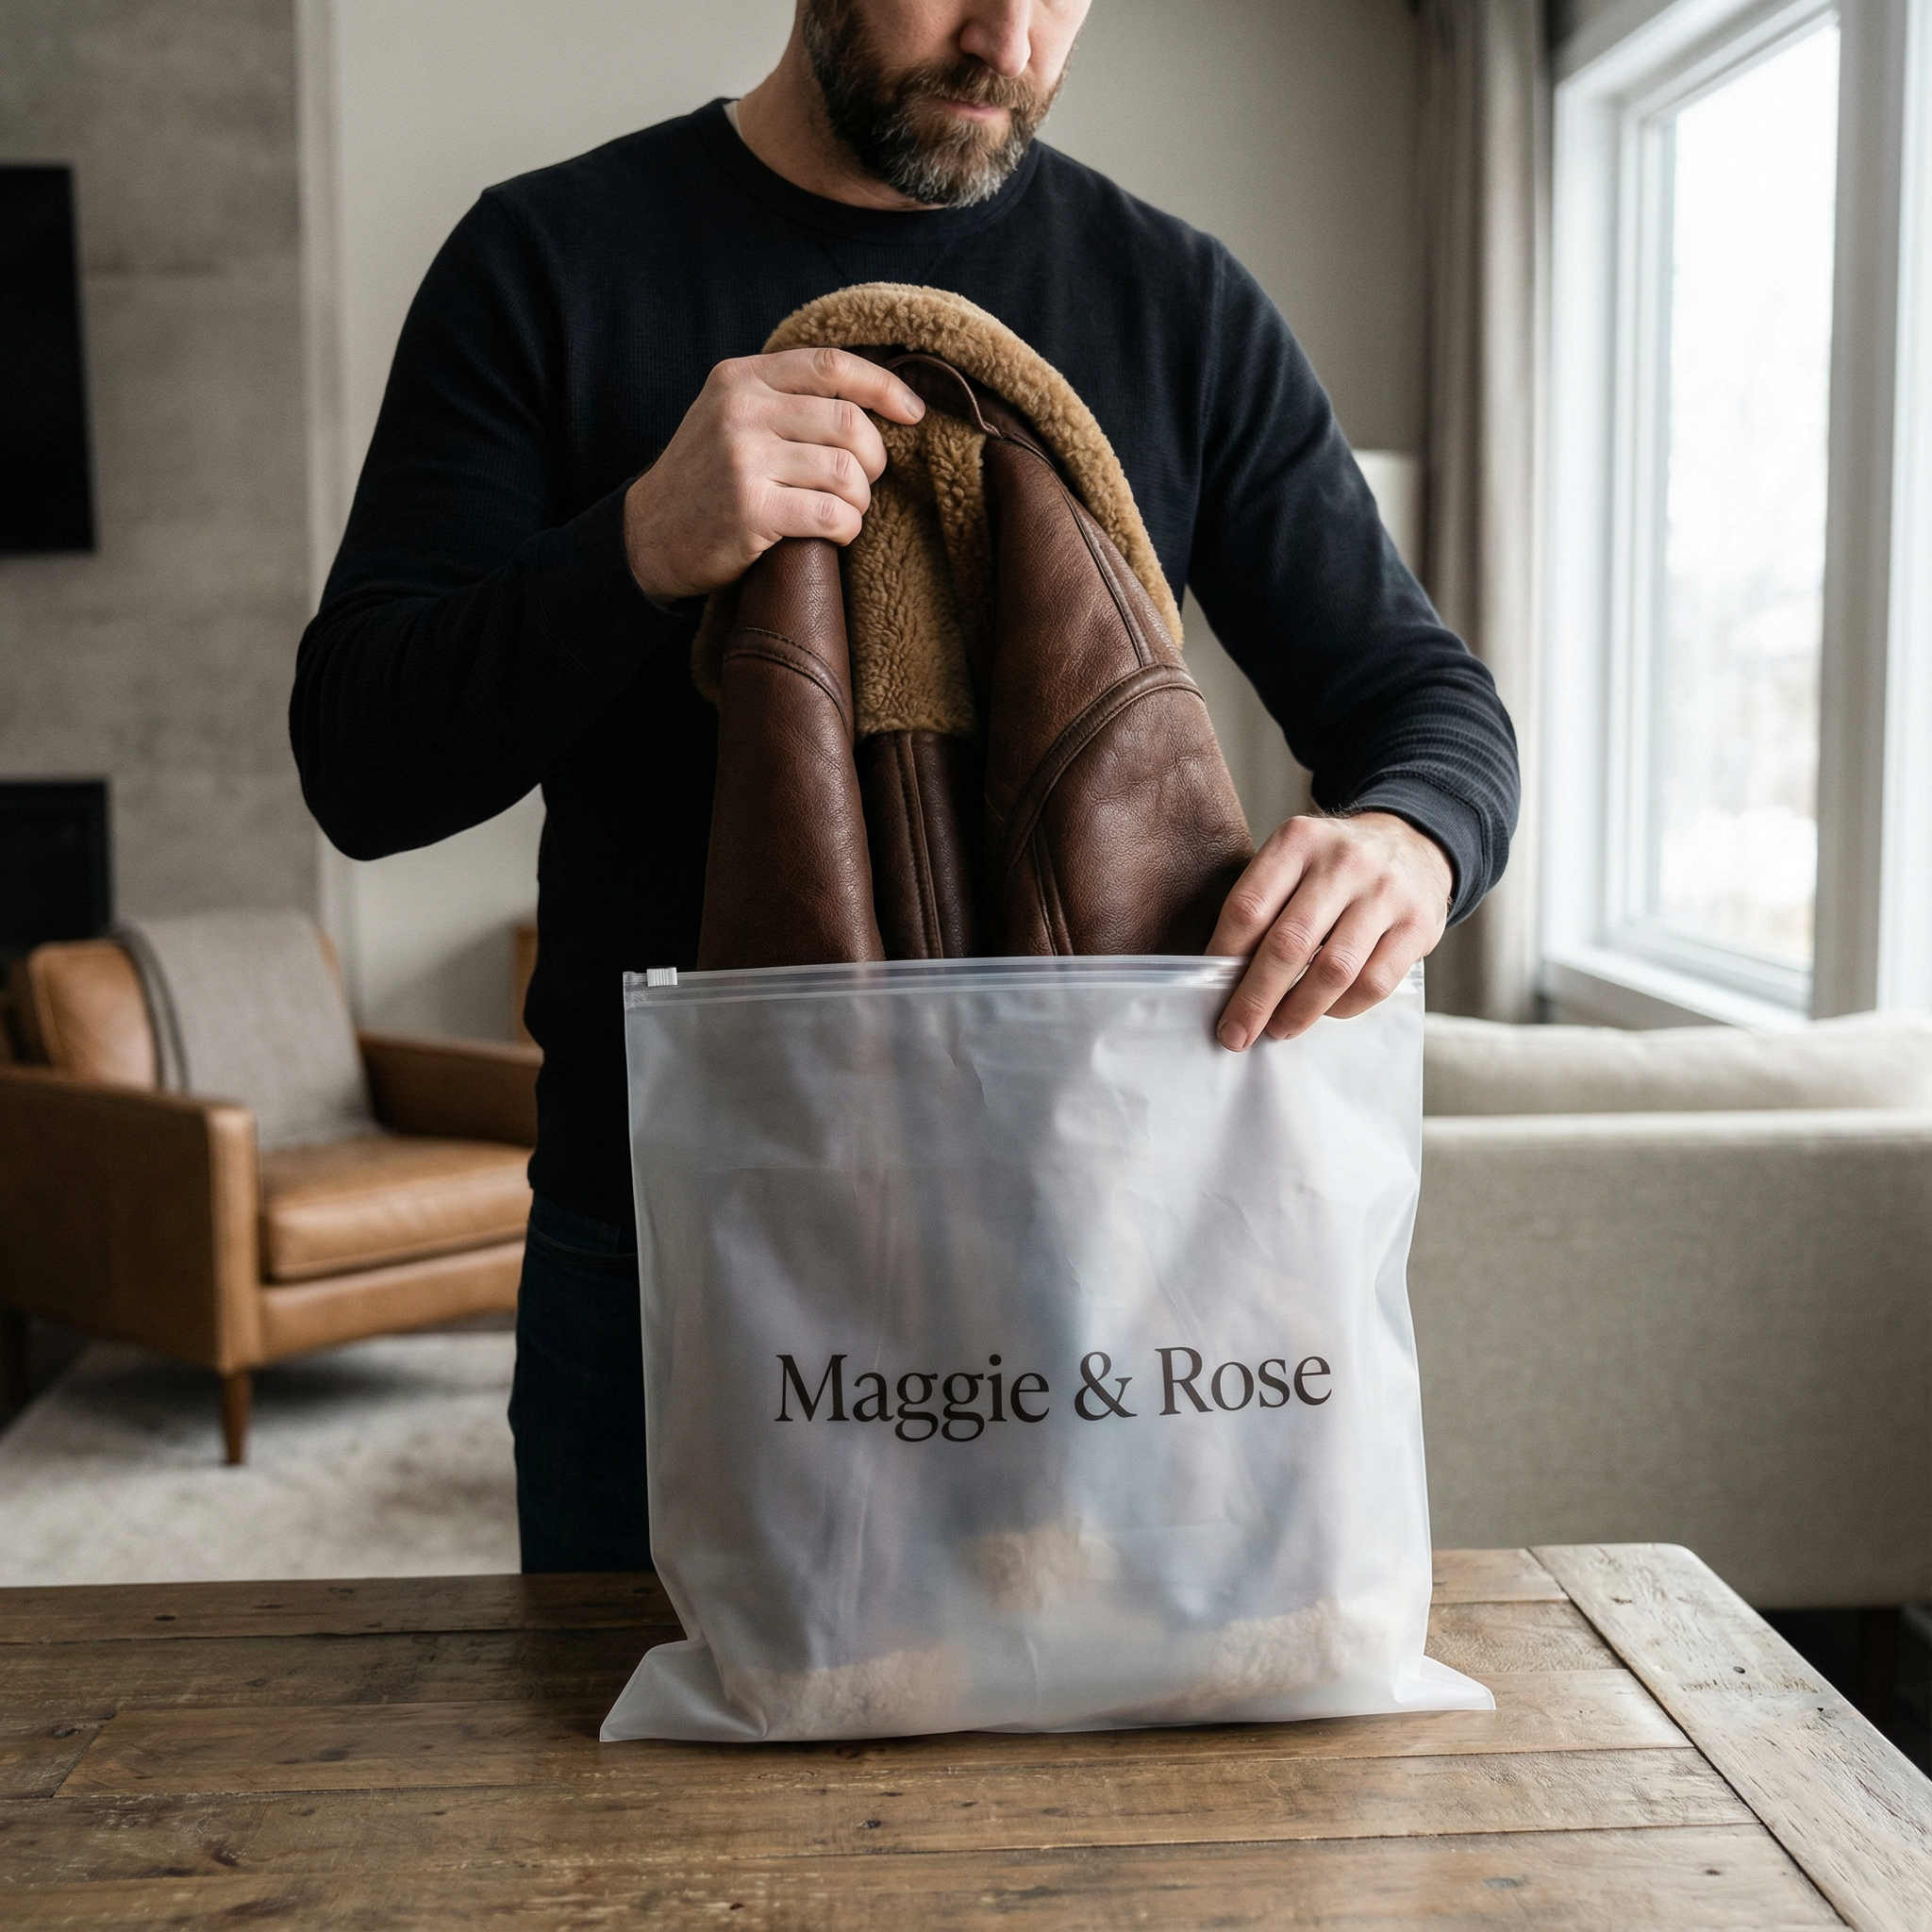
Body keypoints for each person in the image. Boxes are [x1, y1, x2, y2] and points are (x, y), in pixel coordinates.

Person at [291, 0, 1520, 1573]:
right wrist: (640, 543)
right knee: (626, 1742)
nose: (1008, 38)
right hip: (666, 1254)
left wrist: (1409, 840)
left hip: (1108, 1248)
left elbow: (1427, 704)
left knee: (1130, 1739)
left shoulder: (1183, 304)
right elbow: (361, 766)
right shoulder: (544, 262)